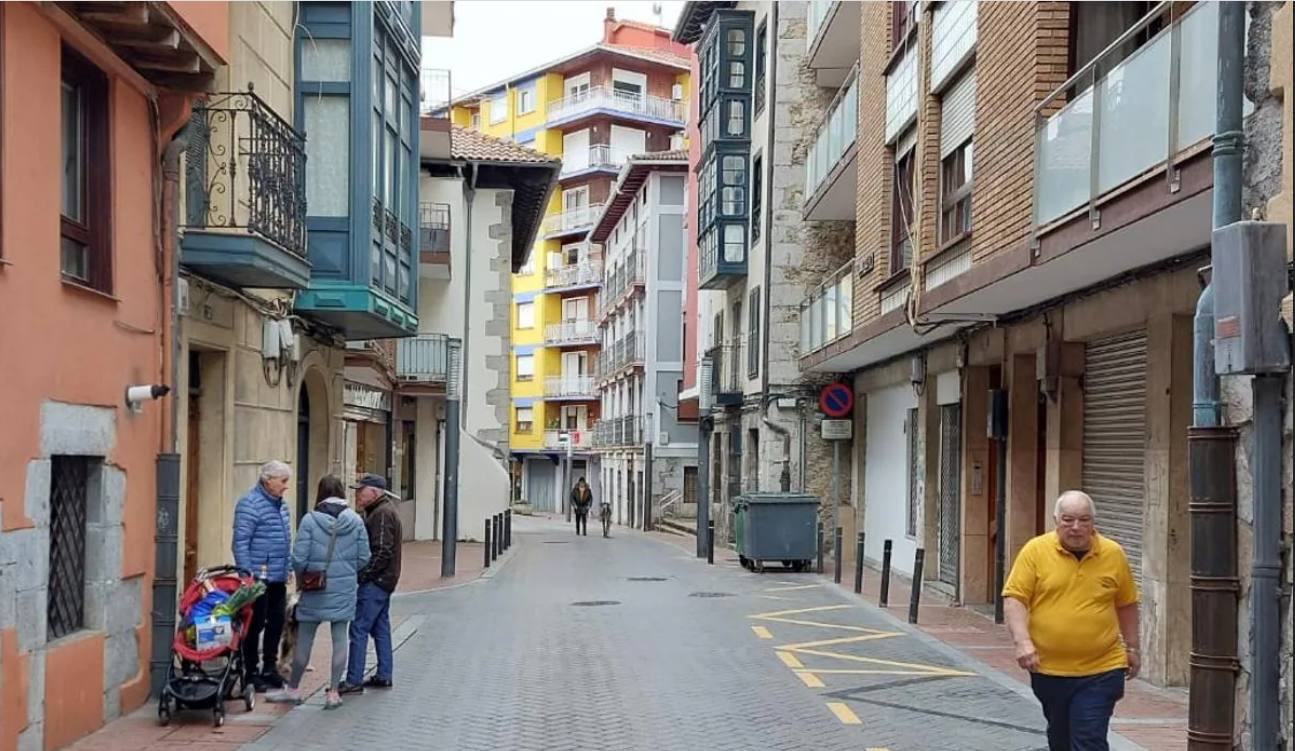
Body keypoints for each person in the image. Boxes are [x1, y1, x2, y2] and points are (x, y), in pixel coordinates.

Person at [1002, 490, 1141, 751]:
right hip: (1049, 669)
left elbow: (1126, 603)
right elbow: (1015, 599)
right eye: (1068, 520)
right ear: (1056, 520)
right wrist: (1022, 642)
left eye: (1084, 520)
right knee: (1061, 738)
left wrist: (1132, 647)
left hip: (1102, 668)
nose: (1076, 527)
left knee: (1089, 738)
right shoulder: (1035, 551)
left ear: (1093, 523)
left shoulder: (1113, 554)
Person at [267, 475, 369, 709]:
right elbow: (364, 557)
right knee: (340, 639)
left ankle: (292, 689)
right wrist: (346, 571)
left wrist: (306, 574)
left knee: (304, 641)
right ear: (342, 492)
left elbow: (299, 559)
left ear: (320, 493)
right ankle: (333, 692)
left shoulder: (310, 521)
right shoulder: (355, 520)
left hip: (315, 589)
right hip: (344, 588)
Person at [232, 460, 293, 692]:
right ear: (268, 480)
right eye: (283, 481)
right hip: (257, 577)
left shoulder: (282, 506)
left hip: (277, 576)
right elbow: (240, 543)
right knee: (255, 623)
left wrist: (287, 567)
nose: (286, 486)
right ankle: (251, 671)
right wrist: (247, 575)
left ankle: (269, 667)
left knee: (276, 622)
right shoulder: (249, 504)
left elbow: (287, 540)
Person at [340, 474, 403, 694]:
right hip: (384, 580)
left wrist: (364, 575)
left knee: (359, 628)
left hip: (377, 581)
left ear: (374, 492)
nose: (357, 494)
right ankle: (384, 674)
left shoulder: (382, 514)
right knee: (380, 627)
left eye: (361, 490)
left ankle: (353, 679)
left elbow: (382, 550)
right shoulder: (381, 510)